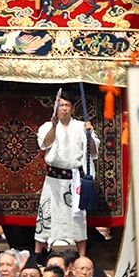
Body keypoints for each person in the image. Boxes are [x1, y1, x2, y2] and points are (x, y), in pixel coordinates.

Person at [35, 93, 98, 258]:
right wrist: (54, 126)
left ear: (73, 108)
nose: (64, 109)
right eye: (61, 105)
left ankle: (82, 255)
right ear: (56, 108)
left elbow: (92, 152)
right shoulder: (47, 126)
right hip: (53, 179)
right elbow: (45, 144)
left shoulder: (81, 126)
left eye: (67, 105)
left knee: (77, 217)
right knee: (46, 213)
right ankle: (38, 253)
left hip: (74, 179)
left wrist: (89, 134)